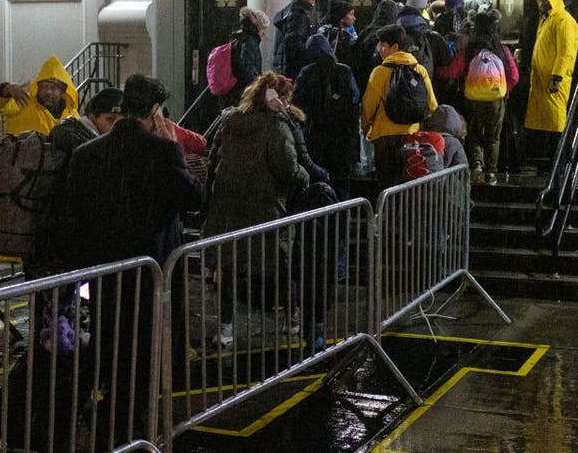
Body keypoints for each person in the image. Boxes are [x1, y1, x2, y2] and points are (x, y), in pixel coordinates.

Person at [65, 74, 203, 444]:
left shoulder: (86, 153)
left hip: (104, 270)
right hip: (152, 270)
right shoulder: (162, 152)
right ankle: (132, 427)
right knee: (147, 351)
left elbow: (74, 214)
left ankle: (110, 414)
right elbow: (193, 199)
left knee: (110, 340)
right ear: (156, 111)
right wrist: (174, 148)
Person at [204, 72, 310, 346]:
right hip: (266, 207)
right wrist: (305, 177)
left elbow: (213, 157)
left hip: (229, 207)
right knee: (281, 264)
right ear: (281, 98)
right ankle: (292, 319)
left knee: (228, 269)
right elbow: (287, 167)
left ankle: (225, 329)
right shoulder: (277, 125)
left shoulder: (230, 120)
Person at [30, 87, 124, 275]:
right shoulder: (83, 144)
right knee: (61, 295)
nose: (113, 128)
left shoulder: (69, 133)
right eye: (109, 120)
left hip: (50, 232)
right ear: (93, 116)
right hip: (63, 237)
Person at [445, 9, 519, 184]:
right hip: (496, 100)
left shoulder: (469, 50)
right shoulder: (501, 50)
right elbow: (514, 76)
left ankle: (477, 165)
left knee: (474, 133)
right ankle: (491, 173)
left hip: (472, 98)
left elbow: (453, 71)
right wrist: (504, 90)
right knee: (494, 137)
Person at [361, 25, 439, 190]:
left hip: (384, 137)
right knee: (408, 183)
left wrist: (366, 128)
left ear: (395, 47)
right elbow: (432, 105)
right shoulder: (420, 70)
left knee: (387, 185)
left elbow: (368, 107)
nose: (379, 50)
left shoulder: (380, 72)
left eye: (383, 45)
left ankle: (387, 215)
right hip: (412, 136)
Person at [292, 34, 360, 201]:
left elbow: (297, 104)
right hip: (342, 139)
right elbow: (354, 99)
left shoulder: (306, 73)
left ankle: (320, 220)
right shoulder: (345, 71)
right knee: (342, 183)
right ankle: (341, 217)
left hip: (315, 138)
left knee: (318, 182)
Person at [525, 0, 578, 164]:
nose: (539, 2)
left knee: (555, 123)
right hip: (542, 81)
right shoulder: (547, 20)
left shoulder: (564, 21)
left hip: (553, 83)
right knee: (546, 123)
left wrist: (557, 76)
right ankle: (547, 163)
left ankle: (558, 163)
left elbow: (566, 52)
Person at [0, 55, 79, 135]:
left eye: (53, 88)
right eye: (44, 86)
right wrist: (8, 89)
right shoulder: (23, 103)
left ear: (62, 92)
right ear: (37, 87)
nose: (48, 91)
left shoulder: (73, 117)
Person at [397, 0, 453, 102]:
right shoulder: (432, 36)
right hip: (427, 94)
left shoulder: (391, 32)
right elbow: (447, 60)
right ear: (423, 8)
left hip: (398, 95)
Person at [272, 0, 318, 79]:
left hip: (283, 64)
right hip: (295, 67)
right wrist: (309, 54)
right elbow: (294, 41)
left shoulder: (287, 11)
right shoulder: (299, 14)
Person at [226, 6, 270, 107]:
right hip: (242, 92)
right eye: (263, 28)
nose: (264, 33)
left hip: (235, 90)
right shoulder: (249, 42)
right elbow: (247, 68)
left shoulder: (240, 38)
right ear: (257, 26)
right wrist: (257, 85)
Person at [317, 0, 357, 64]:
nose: (354, 18)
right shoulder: (327, 31)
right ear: (341, 17)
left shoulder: (350, 29)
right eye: (351, 14)